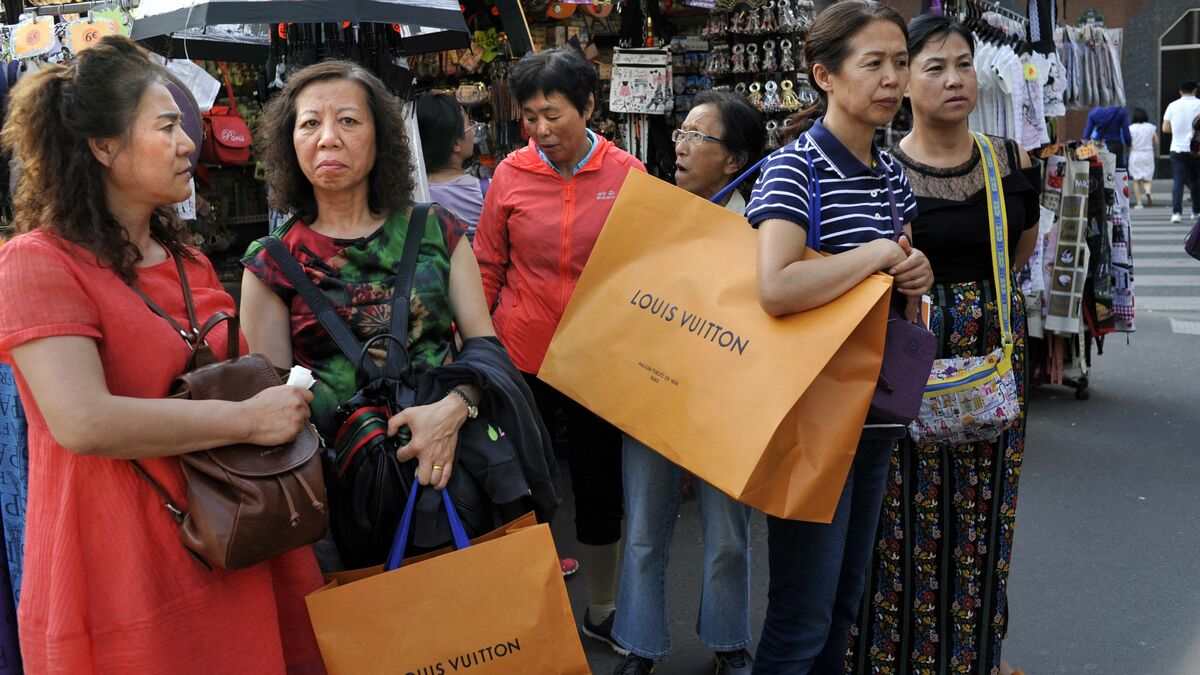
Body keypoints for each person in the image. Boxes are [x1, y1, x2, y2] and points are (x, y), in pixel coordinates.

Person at [0, 35, 325, 672]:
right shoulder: (36, 264)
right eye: (167, 126)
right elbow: (84, 422)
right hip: (126, 564)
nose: (188, 144)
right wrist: (248, 419)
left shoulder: (188, 261)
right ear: (103, 146)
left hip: (238, 538)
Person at [240, 61, 559, 571]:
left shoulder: (437, 231)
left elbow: (485, 348)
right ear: (289, 142)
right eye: (310, 123)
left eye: (348, 121)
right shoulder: (270, 264)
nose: (328, 138)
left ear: (382, 138)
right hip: (344, 501)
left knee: (477, 606)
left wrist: (452, 410)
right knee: (373, 618)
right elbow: (275, 406)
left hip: (454, 472)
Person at [846, 14, 1041, 675]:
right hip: (906, 362)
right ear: (904, 83)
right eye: (934, 67)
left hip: (992, 359)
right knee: (898, 522)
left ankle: (973, 657)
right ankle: (893, 659)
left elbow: (1017, 251)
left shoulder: (1010, 160)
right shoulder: (881, 171)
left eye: (964, 65)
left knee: (985, 517)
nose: (955, 79)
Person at [744, 3, 933, 672]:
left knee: (843, 611)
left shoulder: (891, 174)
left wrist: (916, 273)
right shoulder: (795, 168)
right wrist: (879, 254)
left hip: (873, 412)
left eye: (900, 63)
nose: (892, 79)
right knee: (801, 618)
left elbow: (892, 284)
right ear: (824, 75)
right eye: (872, 63)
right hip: (811, 419)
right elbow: (777, 287)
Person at [473, 47, 646, 652]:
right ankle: (530, 614)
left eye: (553, 115)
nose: (541, 130)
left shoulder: (627, 173)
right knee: (520, 483)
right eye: (530, 117)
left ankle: (603, 608)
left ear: (588, 106)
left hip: (599, 359)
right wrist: (478, 349)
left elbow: (647, 271)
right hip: (523, 355)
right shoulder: (510, 174)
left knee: (600, 484)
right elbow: (487, 265)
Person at [610, 91, 765, 675]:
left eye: (698, 136)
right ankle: (638, 642)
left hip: (727, 404)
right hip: (653, 391)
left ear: (734, 160)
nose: (681, 145)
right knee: (644, 525)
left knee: (728, 531)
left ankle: (728, 639)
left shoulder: (762, 226)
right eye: (682, 132)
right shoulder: (653, 214)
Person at [415, 92, 487, 239]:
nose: (472, 130)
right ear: (456, 144)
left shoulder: (412, 193)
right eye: (469, 124)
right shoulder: (485, 191)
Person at [1162, 80, 1200, 223]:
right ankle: (1196, 211)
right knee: (1196, 180)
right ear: (1194, 91)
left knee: (1178, 181)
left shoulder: (1172, 105)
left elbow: (1165, 128)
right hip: (1196, 149)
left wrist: (1179, 130)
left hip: (1177, 149)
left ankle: (1176, 213)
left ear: (1180, 92)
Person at [1128, 107, 1159, 209]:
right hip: (1148, 154)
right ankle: (1148, 191)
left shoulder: (1131, 128)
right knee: (1147, 178)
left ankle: (1139, 203)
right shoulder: (1151, 127)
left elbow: (1128, 142)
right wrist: (1157, 153)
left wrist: (1128, 152)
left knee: (1136, 180)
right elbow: (1157, 141)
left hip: (1135, 153)